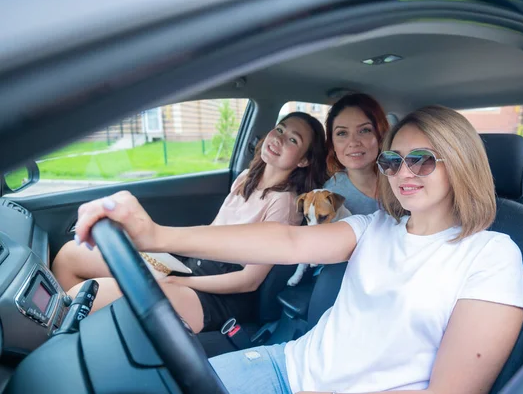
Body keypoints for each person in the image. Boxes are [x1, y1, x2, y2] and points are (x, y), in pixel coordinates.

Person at [74, 105, 523, 394]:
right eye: (394, 161)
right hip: (283, 367)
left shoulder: (492, 255)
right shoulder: (374, 226)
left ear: (460, 163)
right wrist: (156, 236)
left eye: (422, 159)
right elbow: (289, 241)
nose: (403, 172)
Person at [51, 111, 328, 333]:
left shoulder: (285, 203)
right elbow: (213, 233)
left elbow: (249, 281)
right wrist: (166, 261)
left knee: (84, 296)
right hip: (192, 267)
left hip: (221, 294)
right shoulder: (246, 177)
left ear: (304, 160)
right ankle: (75, 338)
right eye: (280, 129)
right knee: (70, 256)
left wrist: (181, 284)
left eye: (293, 140)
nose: (279, 138)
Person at [323, 93, 389, 215]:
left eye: (365, 130)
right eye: (342, 133)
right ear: (332, 144)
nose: (353, 142)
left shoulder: (402, 179)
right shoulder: (328, 197)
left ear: (381, 137)